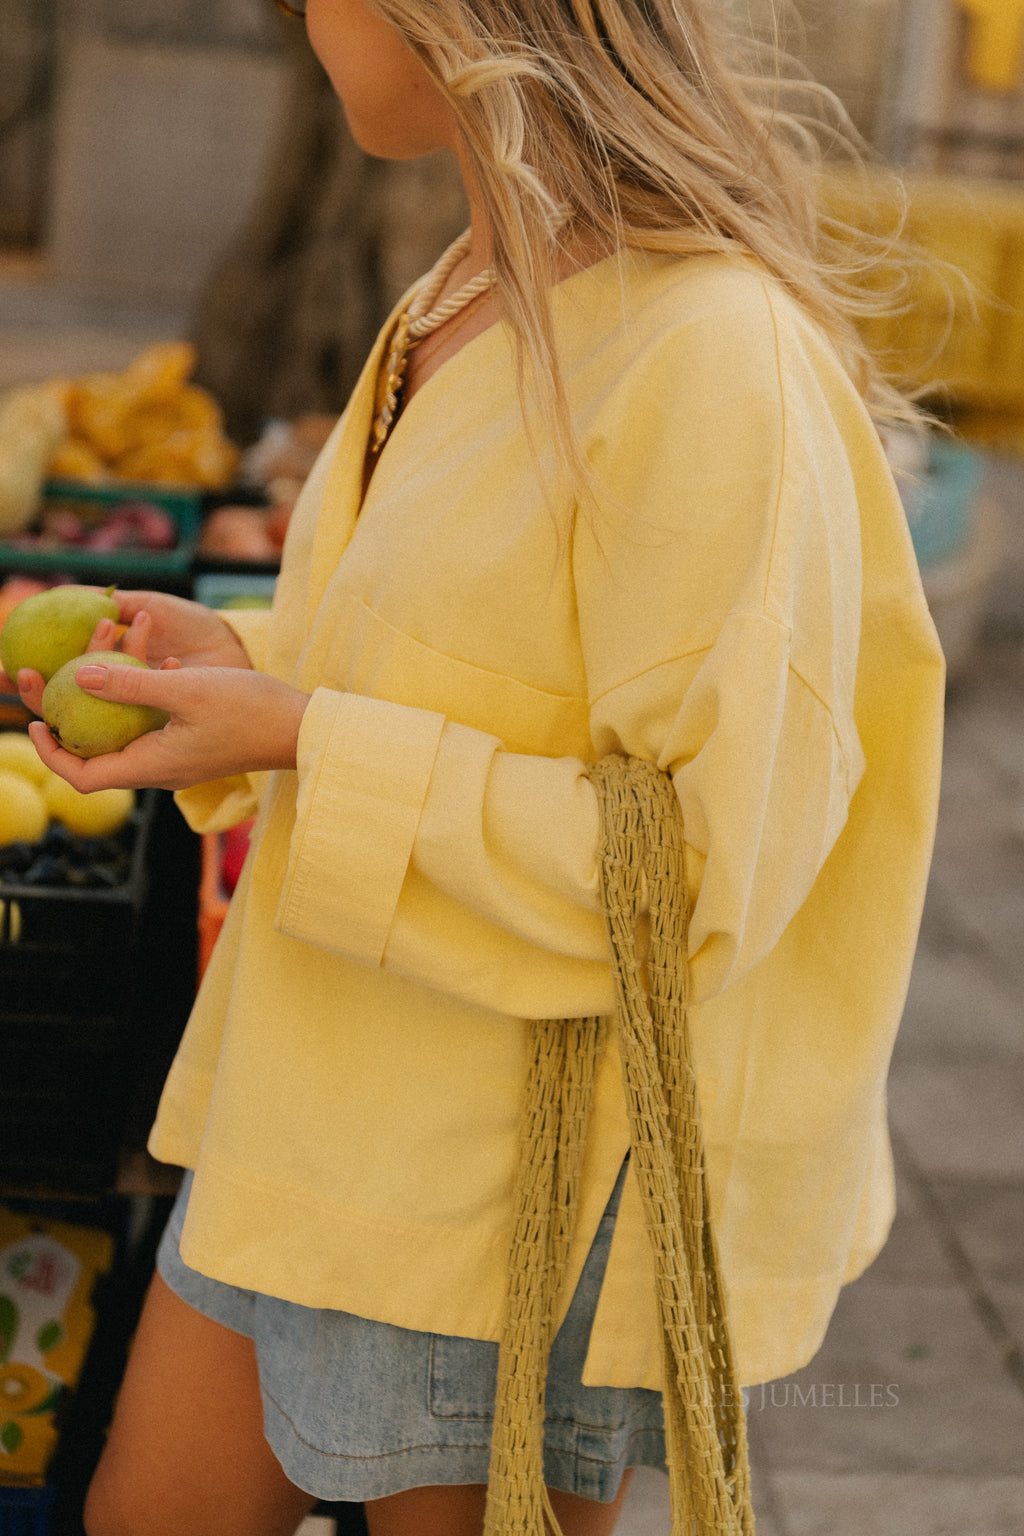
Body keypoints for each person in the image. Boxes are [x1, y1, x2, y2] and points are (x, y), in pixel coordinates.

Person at [6, 1, 945, 1533]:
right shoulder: (471, 287)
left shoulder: (713, 359)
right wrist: (248, 689)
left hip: (511, 1195)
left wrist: (308, 735)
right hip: (311, 1108)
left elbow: (697, 869)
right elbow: (471, 688)